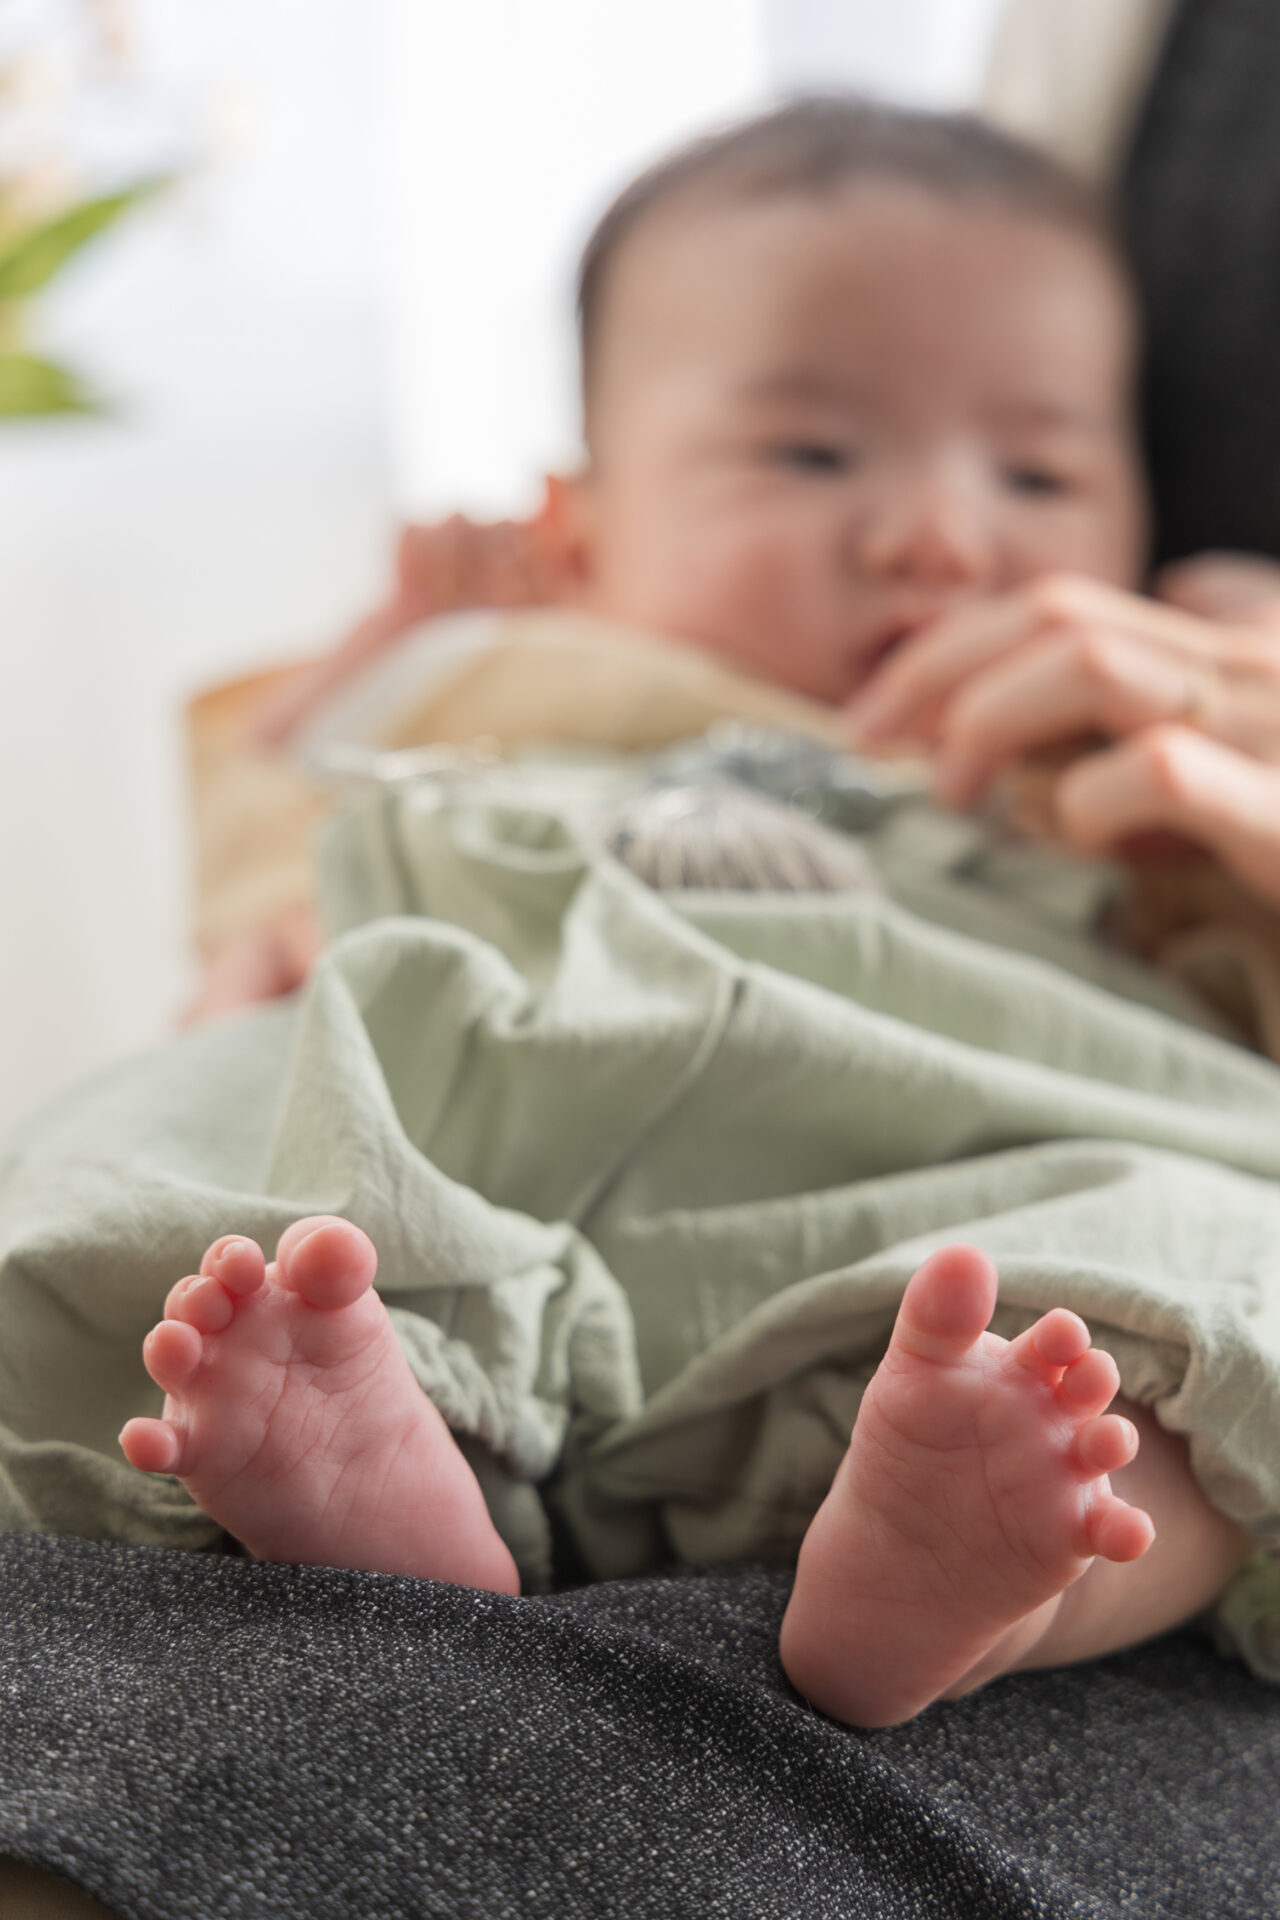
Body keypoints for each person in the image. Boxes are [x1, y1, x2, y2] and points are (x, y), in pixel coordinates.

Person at [120, 100, 1263, 1731]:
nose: (942, 531)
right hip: (564, 1193)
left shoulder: (1122, 749)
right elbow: (270, 846)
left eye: (1040, 467)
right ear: (581, 534)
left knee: (1216, 1297)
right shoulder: (528, 681)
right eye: (809, 452)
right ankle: (391, 1465)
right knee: (256, 1160)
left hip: (980, 1250)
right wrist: (383, 649)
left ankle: (985, 1572)